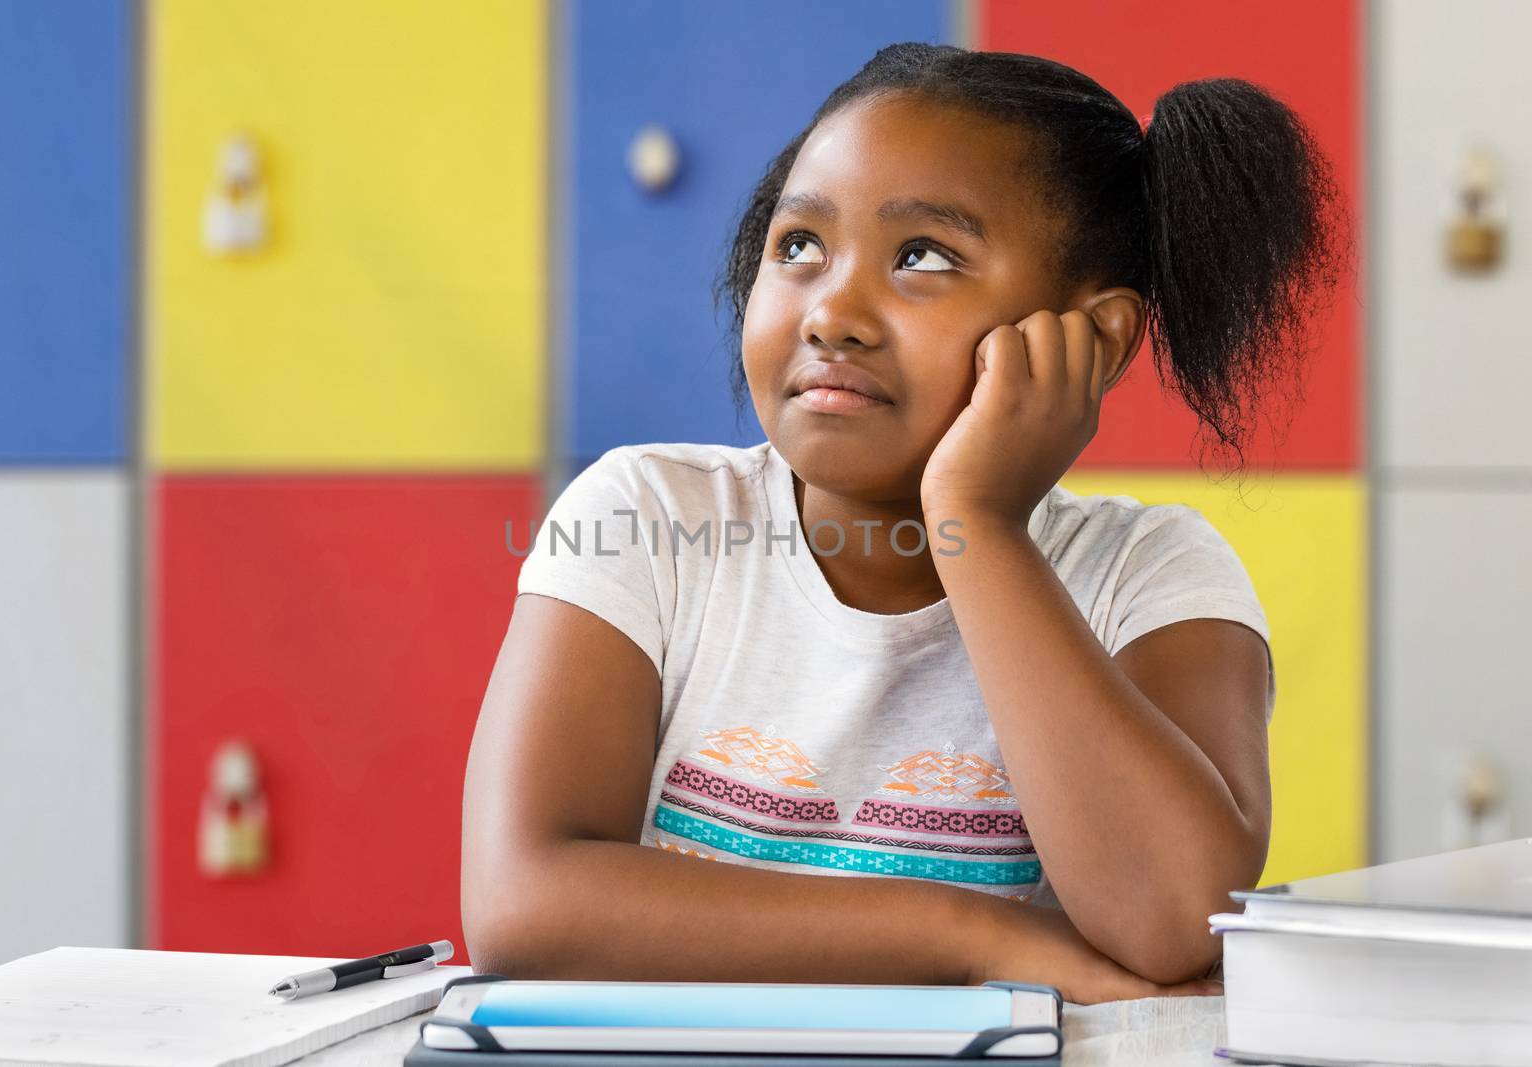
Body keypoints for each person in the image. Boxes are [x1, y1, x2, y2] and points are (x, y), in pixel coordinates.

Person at [461, 44, 1346, 1005]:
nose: (832, 311)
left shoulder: (1150, 575)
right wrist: (969, 933)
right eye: (799, 244)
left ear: (1095, 338)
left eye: (923, 256)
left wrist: (980, 523)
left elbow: (1173, 919)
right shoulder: (647, 517)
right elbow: (525, 904)